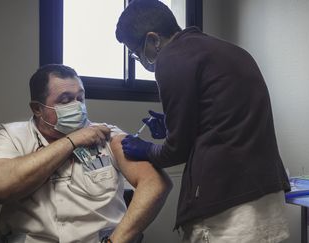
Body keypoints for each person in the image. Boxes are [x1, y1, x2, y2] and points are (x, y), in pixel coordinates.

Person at [115, 1, 290, 242]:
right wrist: (170, 125)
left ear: (153, 40)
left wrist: (145, 149)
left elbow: (175, 152)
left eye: (136, 51)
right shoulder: (228, 50)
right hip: (267, 194)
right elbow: (224, 117)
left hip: (227, 206)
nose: (139, 59)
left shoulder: (171, 58)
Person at [0, 64, 172, 243]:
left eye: (80, 98)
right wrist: (72, 141)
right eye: (65, 100)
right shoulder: (12, 135)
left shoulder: (107, 134)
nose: (77, 105)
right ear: (37, 109)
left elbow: (156, 183)